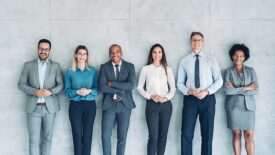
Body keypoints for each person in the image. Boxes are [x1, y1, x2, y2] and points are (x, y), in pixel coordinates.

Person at [177, 32, 223, 155]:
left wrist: (207, 92)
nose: (196, 42)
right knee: (186, 133)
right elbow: (180, 83)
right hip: (190, 99)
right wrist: (188, 91)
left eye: (199, 40)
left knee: (207, 134)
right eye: (194, 40)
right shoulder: (184, 61)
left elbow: (219, 80)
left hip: (207, 99)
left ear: (203, 42)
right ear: (190, 42)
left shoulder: (211, 59)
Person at [18, 39, 64, 155]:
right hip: (33, 109)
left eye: (46, 49)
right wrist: (35, 91)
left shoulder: (56, 66)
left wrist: (51, 91)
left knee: (47, 140)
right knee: (33, 141)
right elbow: (21, 84)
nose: (43, 51)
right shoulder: (28, 65)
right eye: (41, 49)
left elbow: (61, 85)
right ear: (37, 49)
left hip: (50, 109)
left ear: (50, 51)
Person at [137, 43, 176, 155]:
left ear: (162, 54)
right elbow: (139, 87)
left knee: (162, 137)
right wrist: (150, 96)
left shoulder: (168, 69)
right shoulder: (145, 69)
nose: (157, 54)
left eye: (159, 52)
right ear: (151, 54)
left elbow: (173, 89)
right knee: (153, 136)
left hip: (166, 106)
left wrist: (166, 98)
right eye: (154, 52)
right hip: (151, 105)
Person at [99, 44, 136, 155]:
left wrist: (112, 84)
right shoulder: (104, 67)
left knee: (122, 137)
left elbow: (131, 85)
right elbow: (102, 87)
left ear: (121, 52)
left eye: (117, 51)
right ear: (109, 54)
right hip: (109, 105)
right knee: (105, 137)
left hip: (125, 106)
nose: (114, 54)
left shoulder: (130, 66)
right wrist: (118, 90)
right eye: (112, 52)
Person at [224, 44, 258, 155]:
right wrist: (246, 88)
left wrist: (236, 89)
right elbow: (228, 91)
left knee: (249, 135)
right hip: (233, 107)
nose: (238, 58)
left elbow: (255, 91)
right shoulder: (228, 72)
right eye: (236, 55)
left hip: (248, 107)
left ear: (244, 57)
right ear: (232, 56)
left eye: (241, 56)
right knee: (236, 134)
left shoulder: (251, 71)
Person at [65, 45, 98, 155]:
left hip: (90, 105)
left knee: (88, 136)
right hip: (75, 106)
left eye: (84, 54)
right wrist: (77, 92)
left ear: (87, 56)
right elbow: (67, 91)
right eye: (80, 54)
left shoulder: (93, 71)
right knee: (77, 136)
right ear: (75, 55)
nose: (82, 56)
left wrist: (89, 91)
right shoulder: (70, 71)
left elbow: (97, 89)